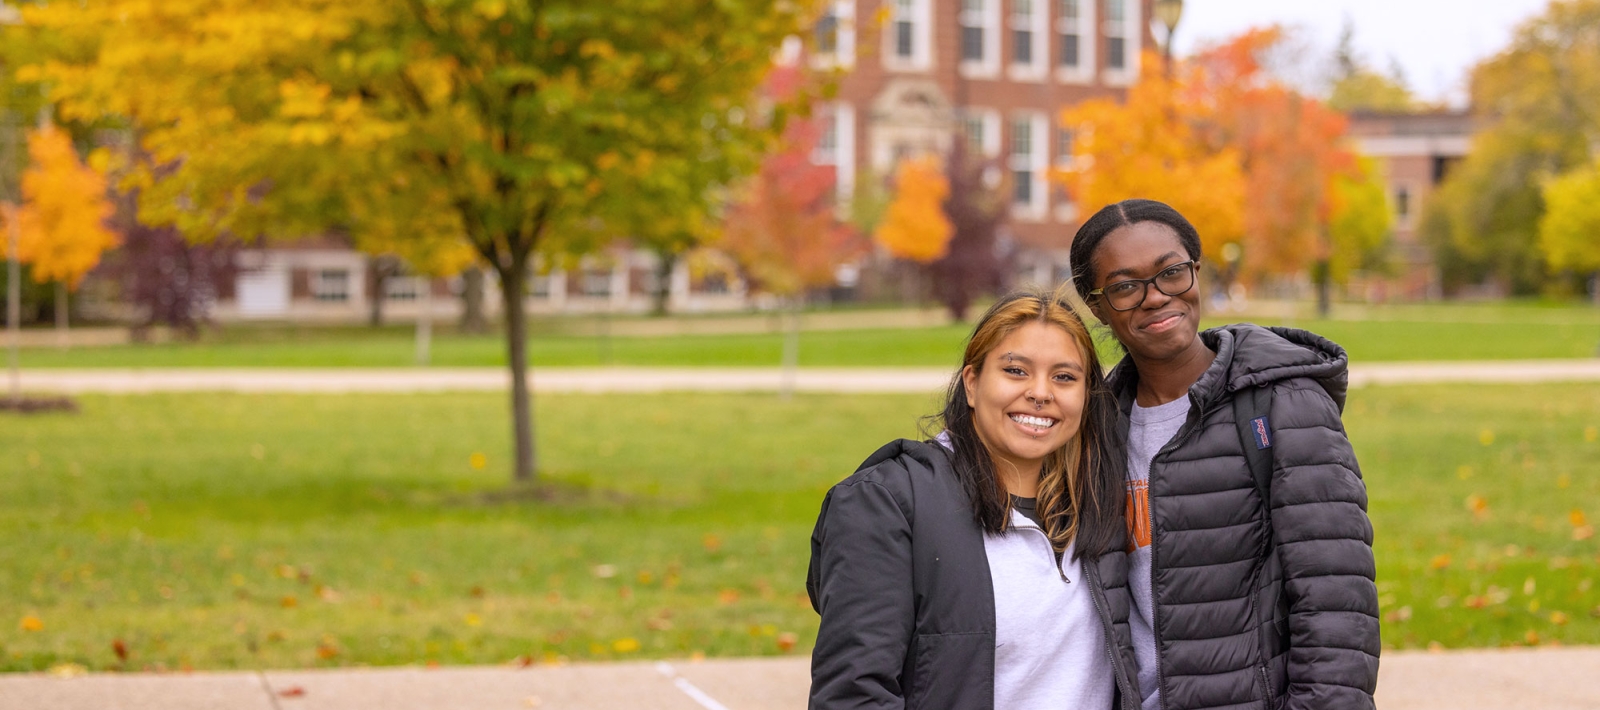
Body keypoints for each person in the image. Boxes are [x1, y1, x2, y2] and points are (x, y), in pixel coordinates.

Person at [1068, 199, 1379, 710]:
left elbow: (1337, 609)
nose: (1155, 297)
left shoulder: (1283, 403)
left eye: (1171, 272)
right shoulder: (1094, 428)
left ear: (1196, 272)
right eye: (1126, 286)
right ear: (1098, 304)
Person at [807, 287, 1143, 710]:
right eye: (1016, 371)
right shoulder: (889, 503)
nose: (1041, 392)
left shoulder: (1099, 503)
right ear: (971, 383)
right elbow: (853, 696)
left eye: (1064, 376)